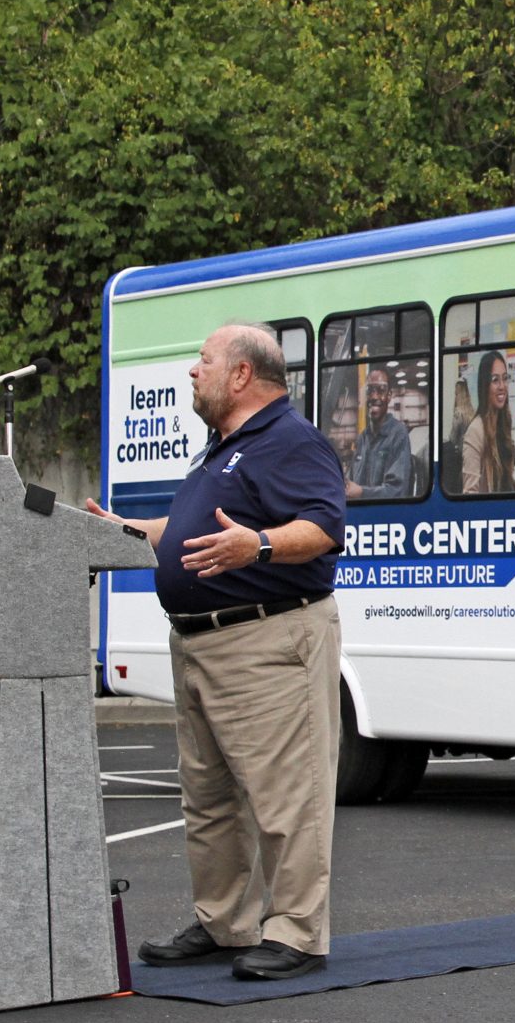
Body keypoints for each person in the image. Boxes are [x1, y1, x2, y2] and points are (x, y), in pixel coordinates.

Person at [85, 322, 346, 982]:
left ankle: (296, 931)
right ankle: (224, 921)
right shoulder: (221, 447)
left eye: (203, 361)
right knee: (208, 797)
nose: (191, 373)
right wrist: (122, 530)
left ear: (241, 376)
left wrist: (255, 547)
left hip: (266, 638)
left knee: (287, 794)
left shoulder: (290, 439)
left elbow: (323, 527)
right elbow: (188, 531)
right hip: (200, 642)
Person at [348, 363, 414, 500]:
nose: (374, 396)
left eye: (381, 390)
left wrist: (361, 493)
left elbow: (397, 491)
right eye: (370, 390)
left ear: (389, 396)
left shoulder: (398, 435)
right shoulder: (362, 439)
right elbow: (350, 485)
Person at [460, 349, 515, 494]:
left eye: (505, 378)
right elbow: (469, 494)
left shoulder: (504, 424)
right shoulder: (475, 431)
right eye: (495, 380)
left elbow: (504, 482)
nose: (502, 386)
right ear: (485, 386)